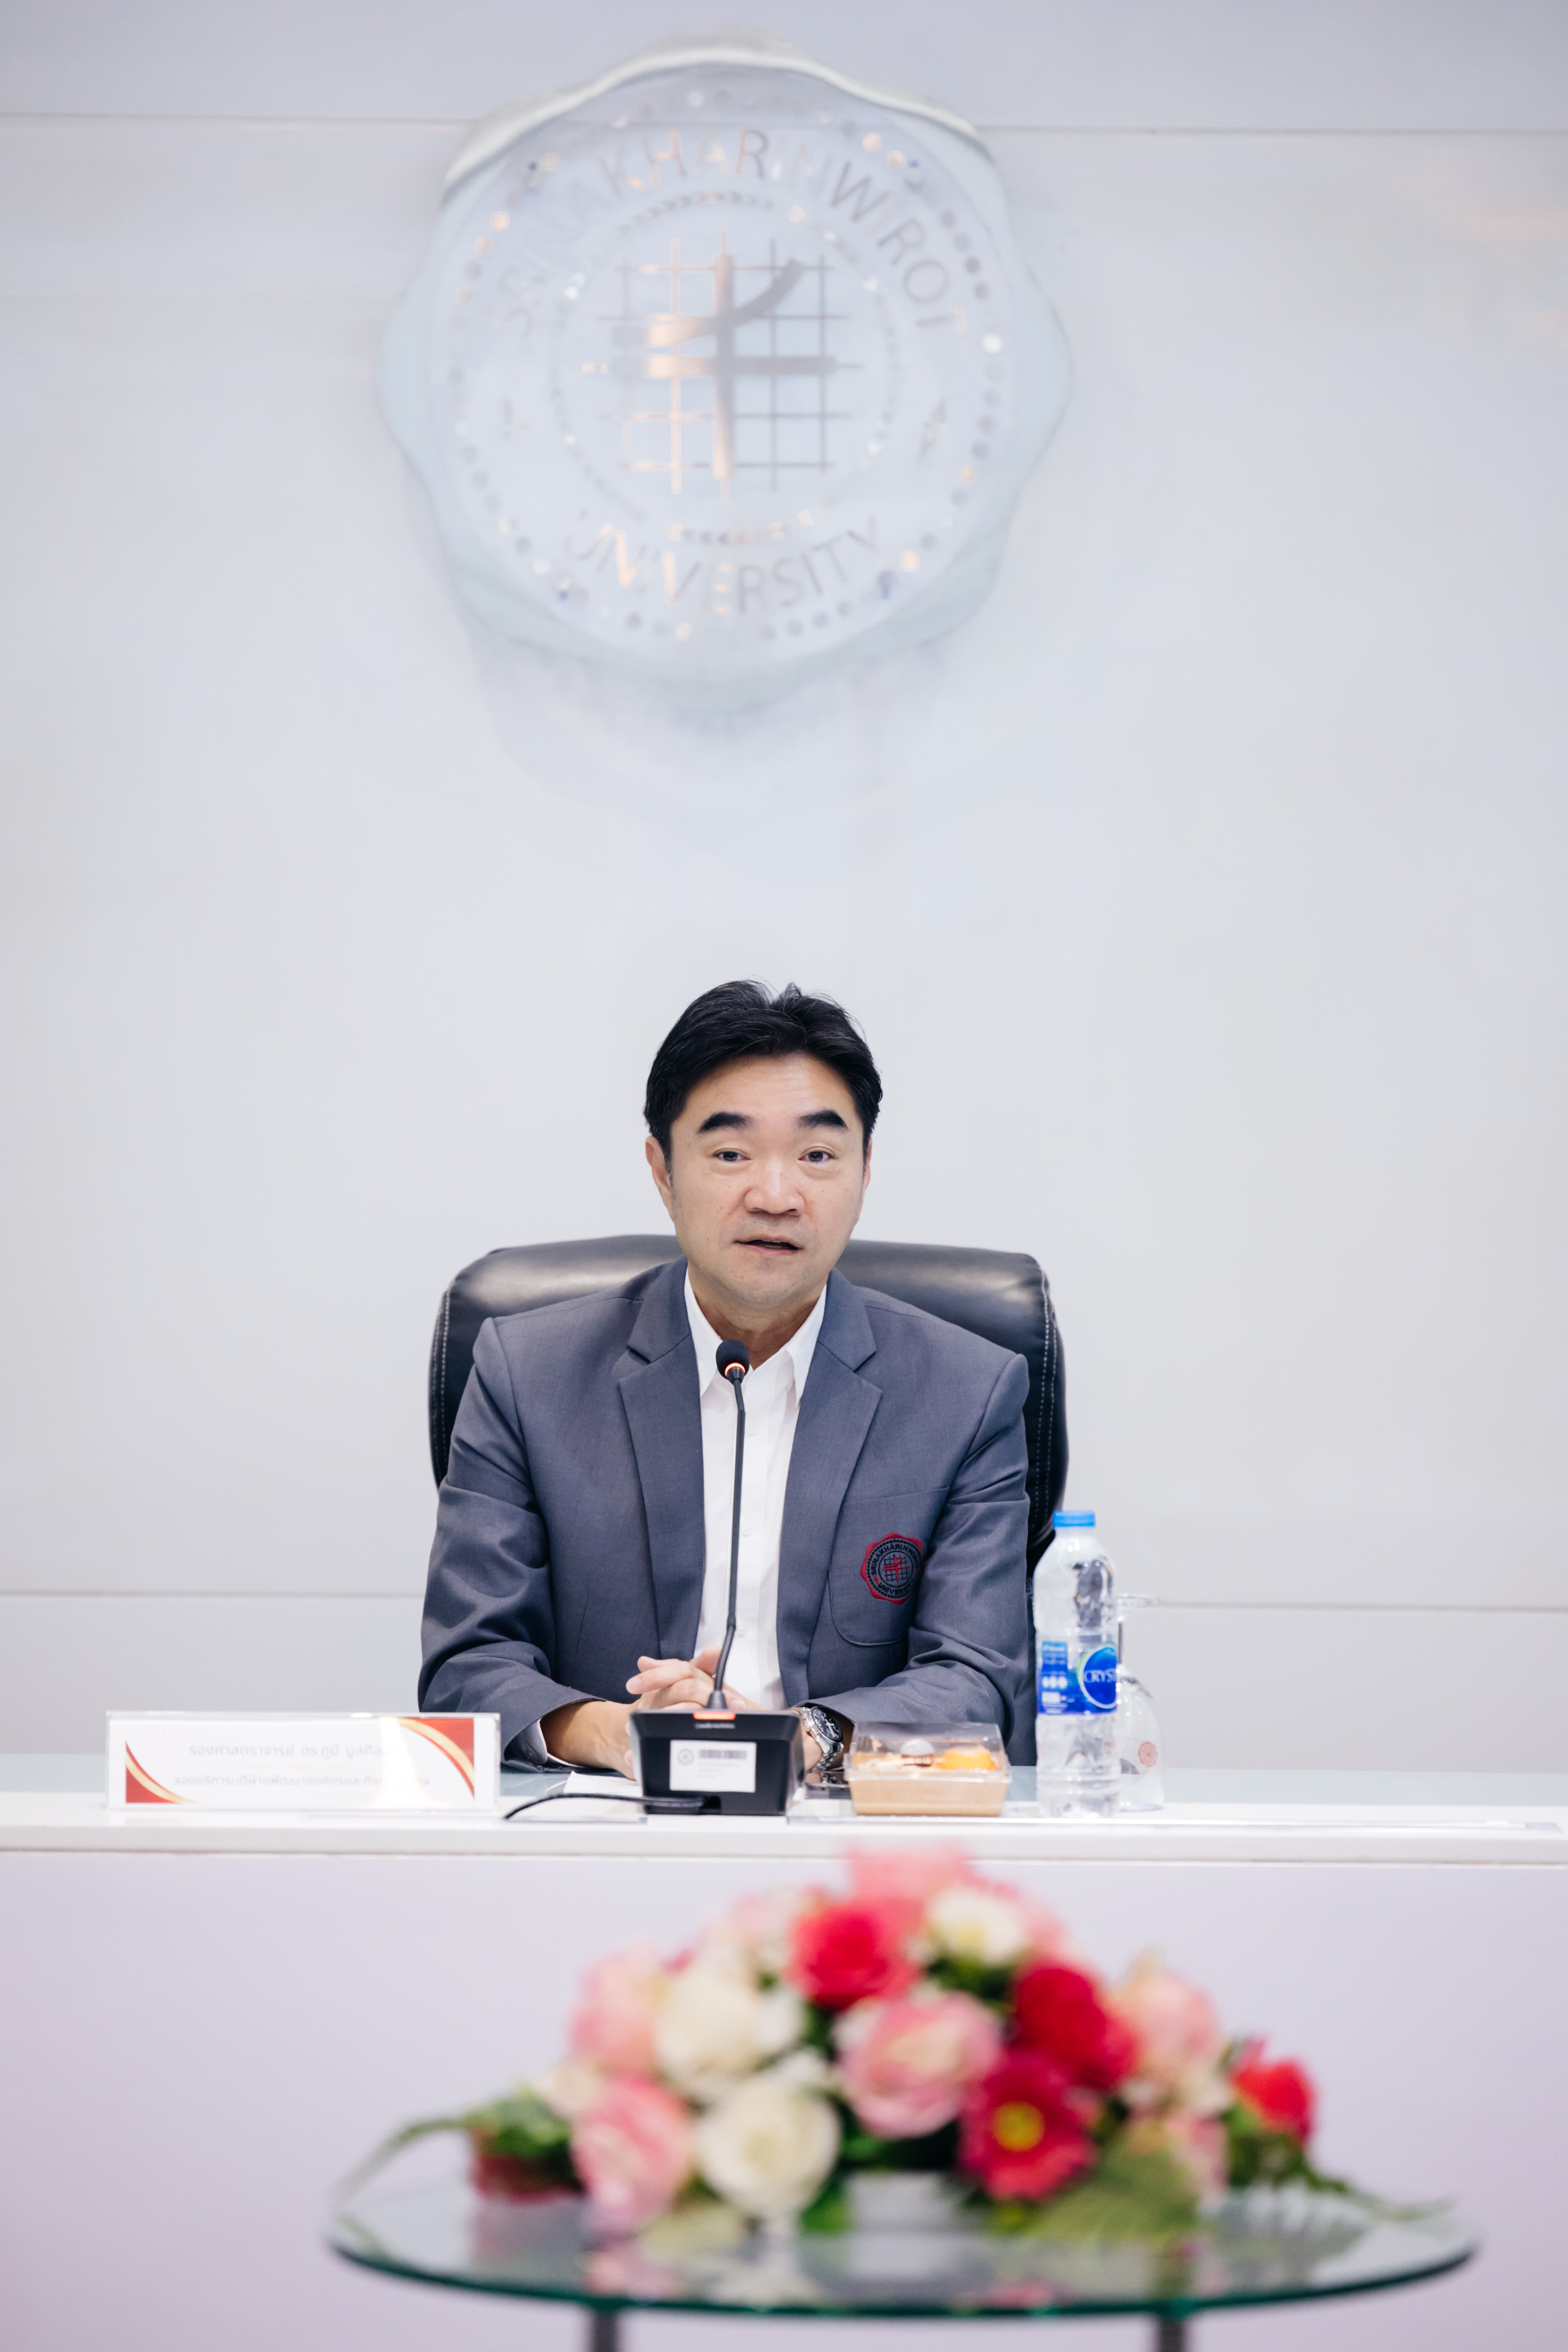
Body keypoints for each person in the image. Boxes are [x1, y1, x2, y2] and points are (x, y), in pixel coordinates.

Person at [419, 981, 1041, 1775]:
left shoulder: (968, 1392)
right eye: (730, 1154)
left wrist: (799, 1740)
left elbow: (977, 1676)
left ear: (865, 1172)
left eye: (818, 1156)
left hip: (848, 1815)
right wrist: (619, 1733)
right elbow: (468, 1667)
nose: (775, 1196)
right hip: (605, 1815)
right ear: (663, 1172)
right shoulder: (527, 1375)